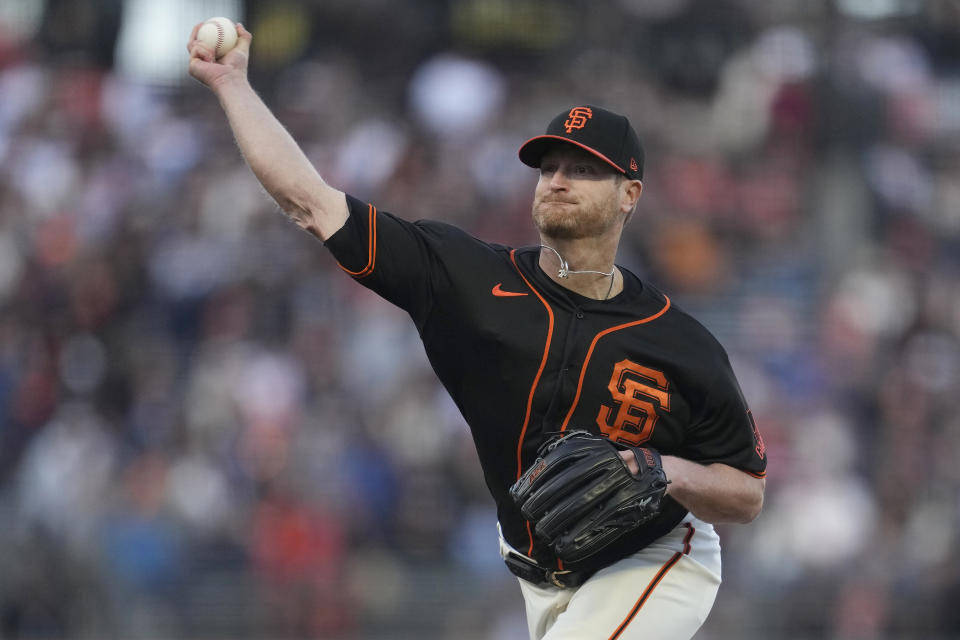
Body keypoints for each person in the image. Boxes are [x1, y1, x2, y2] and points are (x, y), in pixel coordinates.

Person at [188, 23, 767, 640]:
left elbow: (745, 493)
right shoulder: (465, 277)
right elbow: (311, 201)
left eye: (583, 169)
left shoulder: (680, 343)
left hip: (656, 558)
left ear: (630, 194)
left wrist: (668, 470)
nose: (558, 179)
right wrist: (231, 84)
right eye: (549, 167)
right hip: (536, 575)